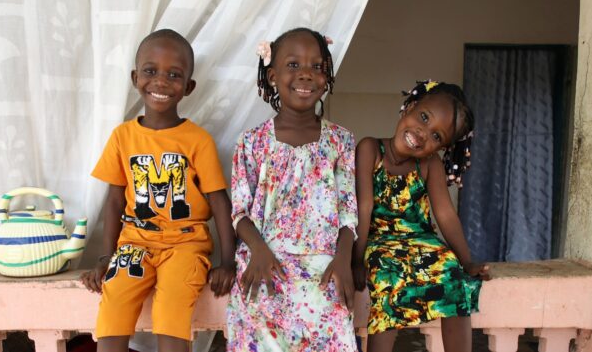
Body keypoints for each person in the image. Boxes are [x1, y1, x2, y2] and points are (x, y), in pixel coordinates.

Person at [81, 28, 236, 352]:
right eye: (151, 71)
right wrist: (107, 257)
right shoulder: (122, 137)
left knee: (172, 308)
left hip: (186, 244)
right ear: (135, 77)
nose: (161, 82)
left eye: (174, 75)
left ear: (188, 87)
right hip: (135, 242)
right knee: (115, 299)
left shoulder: (197, 141)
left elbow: (219, 202)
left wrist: (228, 262)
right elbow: (114, 201)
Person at [227, 27, 358, 352]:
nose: (306, 74)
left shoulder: (340, 140)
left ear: (327, 77)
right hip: (264, 255)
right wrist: (258, 250)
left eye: (317, 66)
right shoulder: (252, 141)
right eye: (293, 65)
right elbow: (240, 212)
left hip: (324, 260)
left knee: (332, 309)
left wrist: (343, 260)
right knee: (257, 301)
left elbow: (348, 213)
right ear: (272, 76)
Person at [352, 80, 491, 352]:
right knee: (388, 277)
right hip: (378, 240)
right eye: (424, 117)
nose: (423, 133)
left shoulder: (429, 165)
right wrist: (356, 261)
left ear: (441, 148)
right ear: (410, 107)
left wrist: (466, 261)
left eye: (437, 136)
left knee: (452, 275)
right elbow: (363, 207)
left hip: (421, 240)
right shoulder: (370, 149)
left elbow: (445, 214)